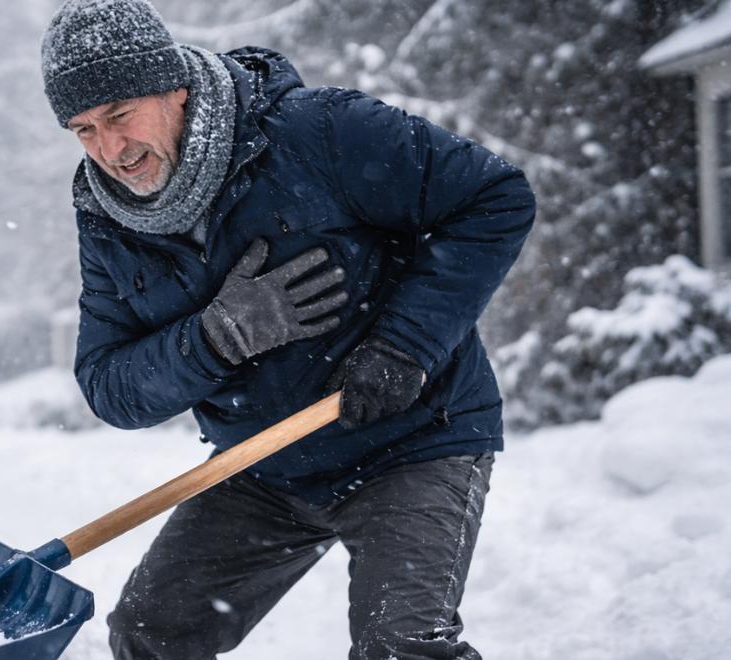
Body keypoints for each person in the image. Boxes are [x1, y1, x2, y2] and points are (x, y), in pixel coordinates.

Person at [39, 1, 536, 658]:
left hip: (412, 439)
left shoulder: (317, 131)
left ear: (174, 87)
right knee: (149, 633)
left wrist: (405, 347)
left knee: (401, 647)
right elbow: (110, 387)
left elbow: (494, 198)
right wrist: (216, 338)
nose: (111, 150)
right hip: (265, 464)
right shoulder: (107, 219)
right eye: (84, 130)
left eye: (120, 116)